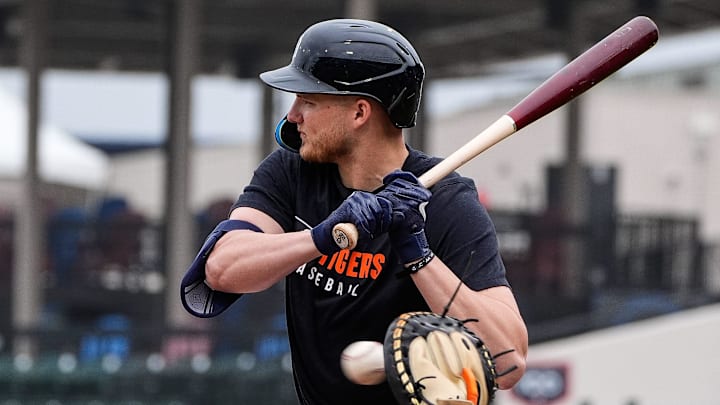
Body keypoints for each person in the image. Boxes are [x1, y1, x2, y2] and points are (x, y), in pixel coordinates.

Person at [180, 18, 528, 405]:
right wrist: (322, 236)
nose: (293, 116)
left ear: (360, 113)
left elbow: (510, 363)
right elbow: (221, 269)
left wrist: (419, 255)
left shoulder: (447, 202)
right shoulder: (292, 172)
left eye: (308, 101)